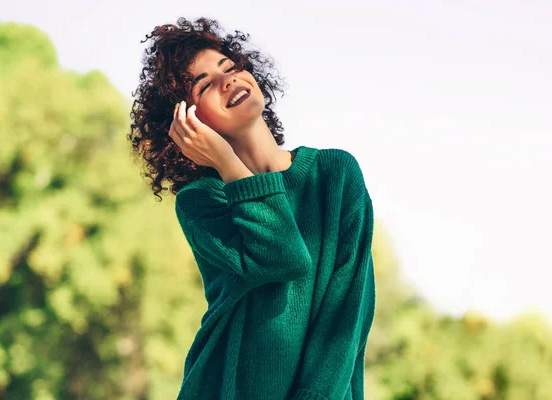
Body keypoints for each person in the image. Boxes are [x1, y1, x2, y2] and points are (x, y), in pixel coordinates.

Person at [128, 17, 376, 400]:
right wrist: (228, 163)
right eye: (205, 85)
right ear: (186, 121)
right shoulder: (201, 201)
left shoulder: (336, 173)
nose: (228, 80)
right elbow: (284, 258)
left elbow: (348, 317)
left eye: (230, 67)